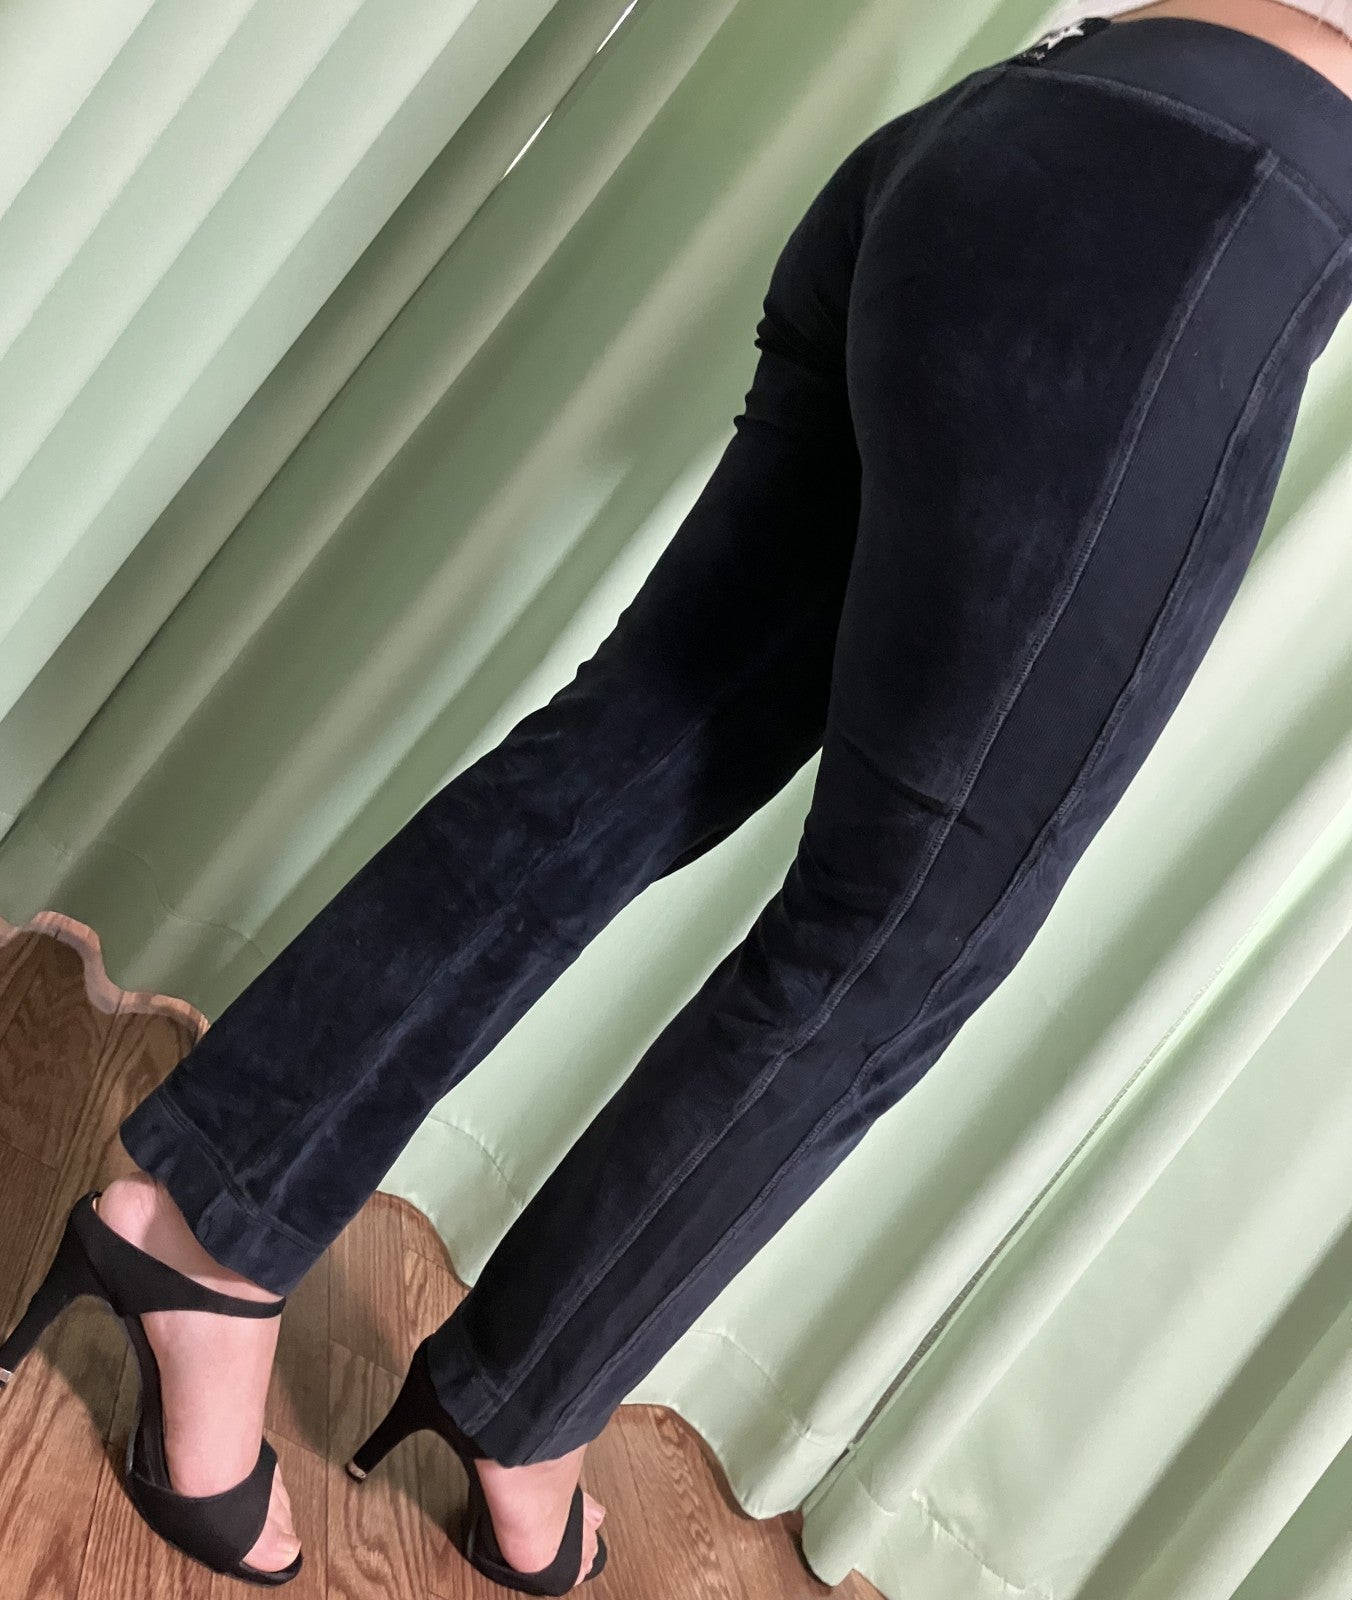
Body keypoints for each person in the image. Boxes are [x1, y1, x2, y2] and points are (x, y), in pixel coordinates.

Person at [4, 1, 1351, 1591]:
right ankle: (525, 1405)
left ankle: (204, 1225)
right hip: (1201, 235)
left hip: (997, 137)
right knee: (889, 954)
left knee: (631, 751)